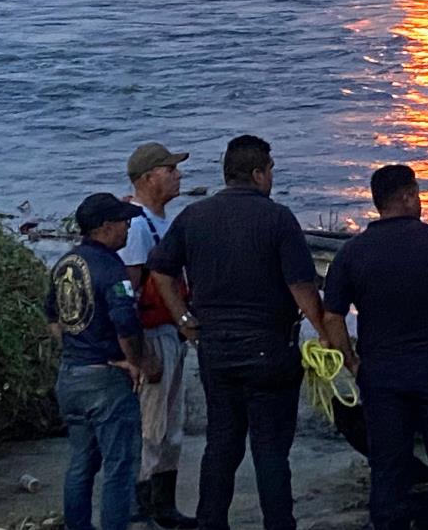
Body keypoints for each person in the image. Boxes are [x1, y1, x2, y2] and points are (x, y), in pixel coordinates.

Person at [147, 135, 328, 530]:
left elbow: (159, 270)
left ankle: (211, 522)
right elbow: (301, 287)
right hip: (269, 347)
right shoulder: (278, 218)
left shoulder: (194, 216)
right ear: (259, 173)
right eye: (271, 171)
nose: (272, 179)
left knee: (222, 444)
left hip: (215, 349)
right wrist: (327, 335)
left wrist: (183, 319)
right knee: (270, 450)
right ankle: (279, 524)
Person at [322, 164, 428, 530]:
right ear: (406, 196)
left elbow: (332, 317)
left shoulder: (352, 253)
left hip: (383, 374)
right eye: (416, 193)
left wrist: (352, 362)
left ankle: (391, 521)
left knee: (387, 464)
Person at [46, 193, 162, 530]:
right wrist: (135, 362)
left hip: (71, 373)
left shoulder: (65, 263)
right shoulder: (112, 269)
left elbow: (52, 317)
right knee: (119, 466)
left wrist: (75, 348)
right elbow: (125, 323)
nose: (128, 228)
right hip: (105, 378)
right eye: (123, 222)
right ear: (106, 227)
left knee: (81, 463)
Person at [118, 142, 197, 529]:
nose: (178, 175)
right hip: (153, 336)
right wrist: (136, 355)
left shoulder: (165, 221)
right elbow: (129, 291)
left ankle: (163, 507)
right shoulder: (136, 226)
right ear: (149, 178)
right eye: (170, 169)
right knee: (152, 427)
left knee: (172, 424)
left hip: (173, 333)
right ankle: (140, 508)